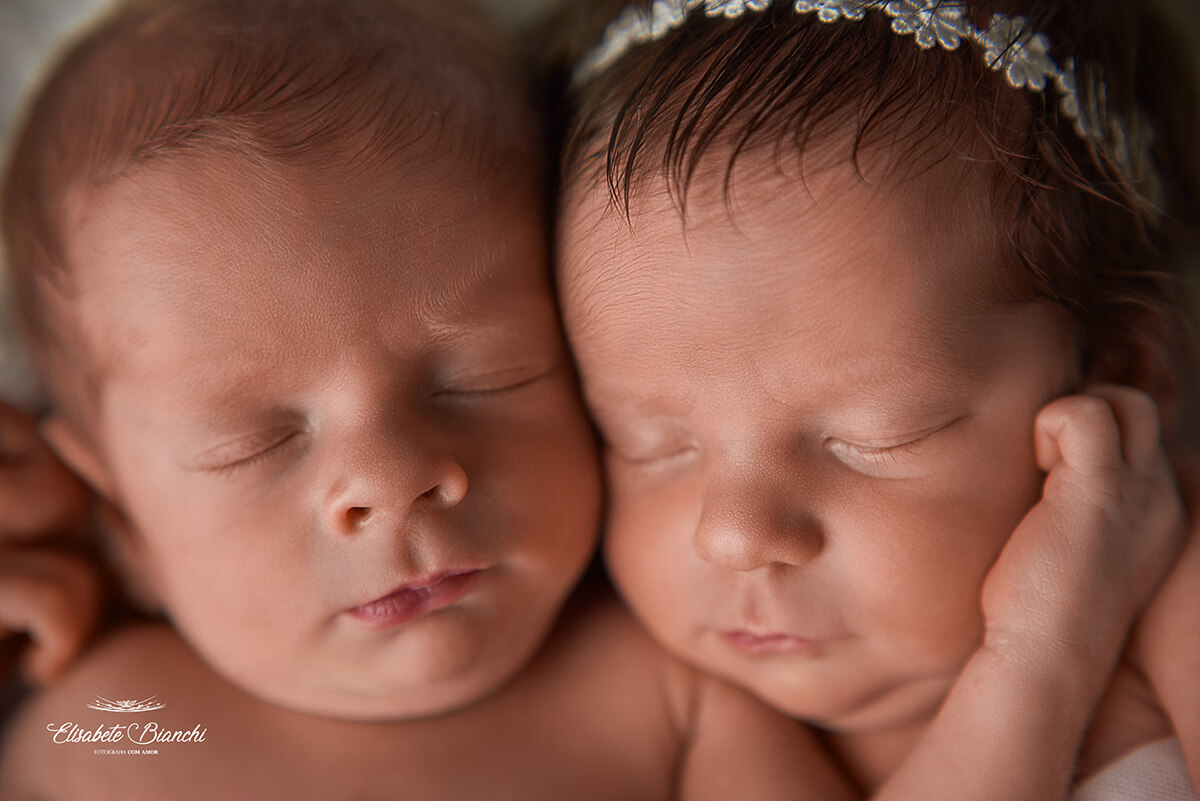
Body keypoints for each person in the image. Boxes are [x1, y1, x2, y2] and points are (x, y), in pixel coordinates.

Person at [0, 0, 1184, 797]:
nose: (391, 475)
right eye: (247, 443)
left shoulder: (667, 699)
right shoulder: (119, 721)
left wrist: (1042, 646)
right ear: (114, 499)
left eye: (487, 378)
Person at [551, 0, 1200, 797]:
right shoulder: (674, 718)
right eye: (648, 442)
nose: (735, 534)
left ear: (1122, 369)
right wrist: (1040, 655)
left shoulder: (1177, 571)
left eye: (878, 437)